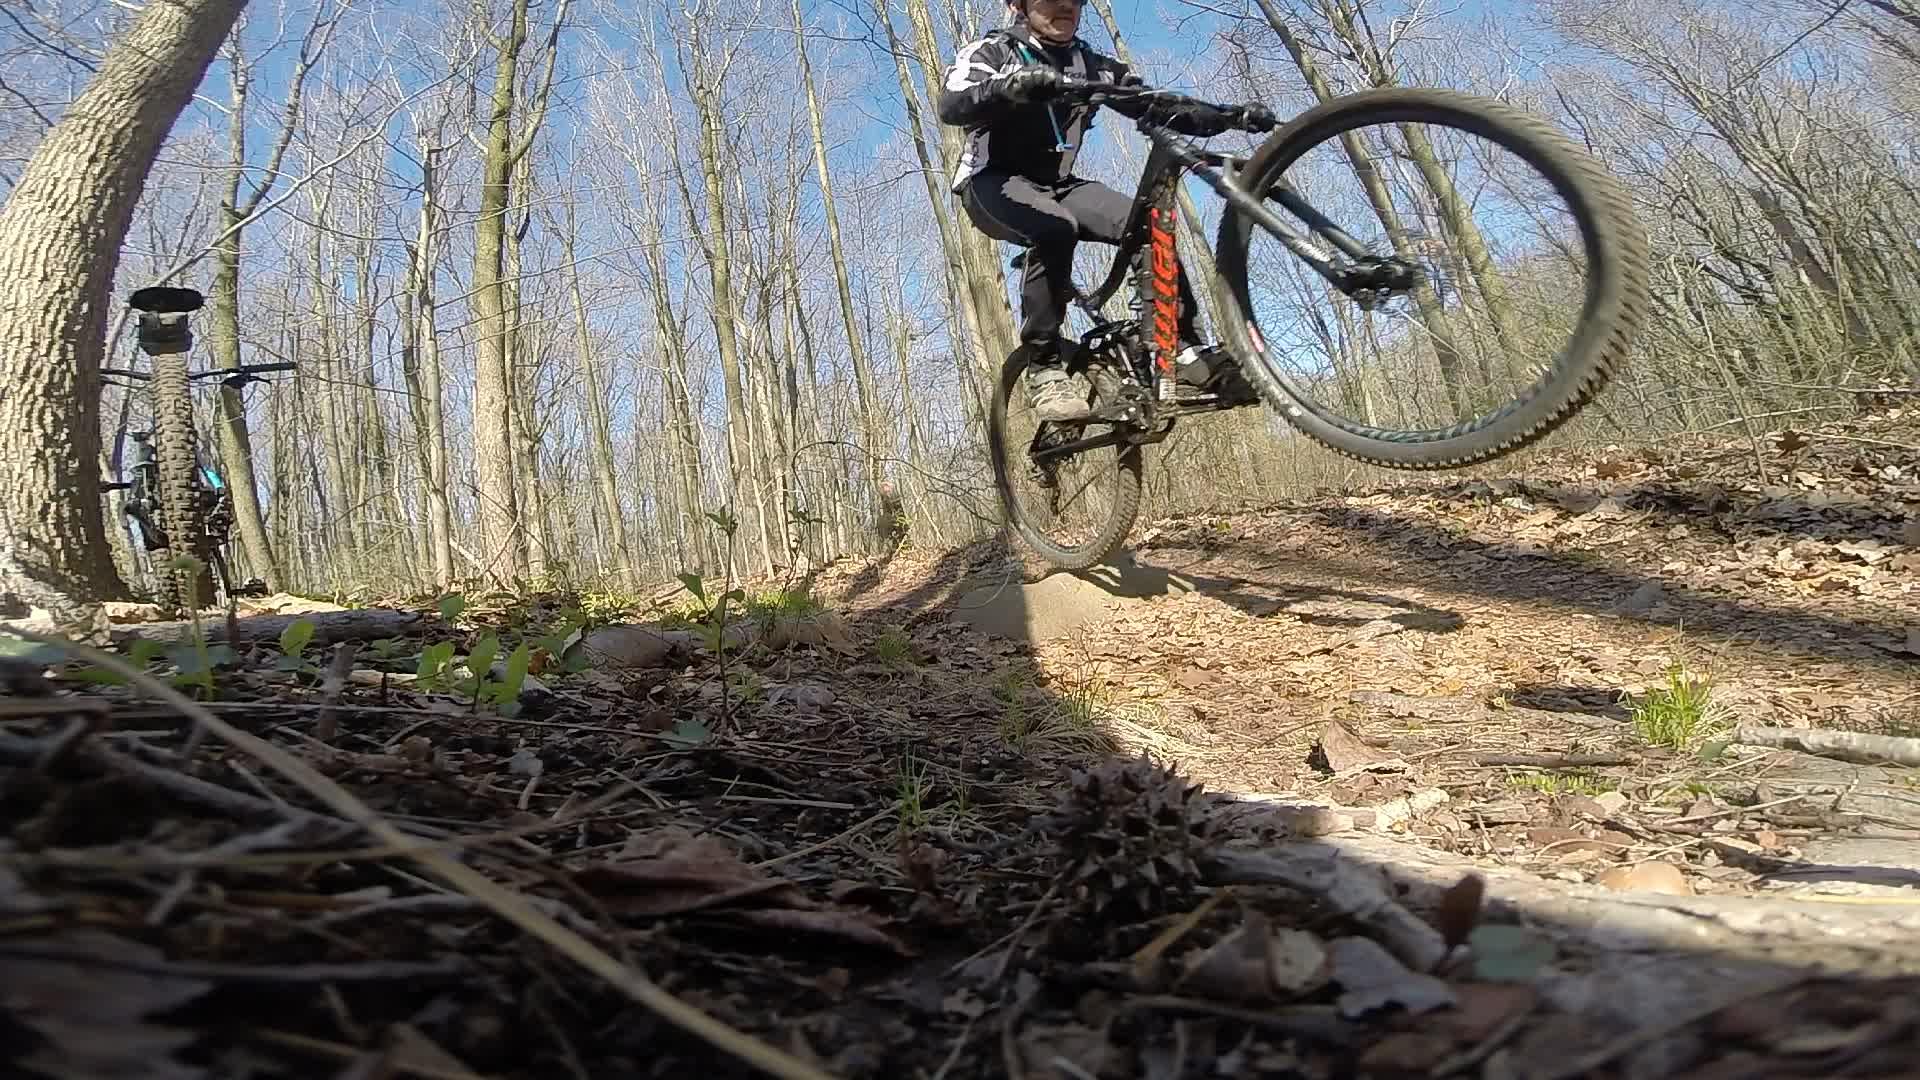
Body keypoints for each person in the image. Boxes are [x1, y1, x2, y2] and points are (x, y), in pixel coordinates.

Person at [937, 0, 1273, 421]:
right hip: (991, 181)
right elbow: (952, 103)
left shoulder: (1091, 63)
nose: (1065, 6)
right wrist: (1010, 87)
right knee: (1054, 228)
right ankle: (1043, 367)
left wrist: (1227, 117)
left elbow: (1155, 104)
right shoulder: (994, 51)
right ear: (1018, 5)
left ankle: (1184, 350)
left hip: (1061, 184)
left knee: (1148, 224)